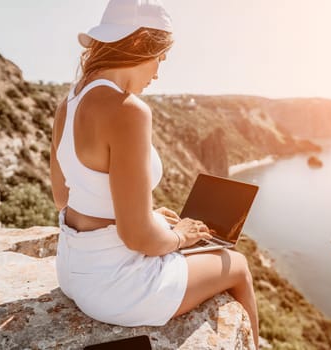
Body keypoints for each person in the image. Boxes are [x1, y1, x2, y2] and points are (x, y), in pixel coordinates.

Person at [50, 0, 258, 347]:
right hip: (115, 287)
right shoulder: (128, 111)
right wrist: (179, 235)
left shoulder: (67, 104)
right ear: (138, 45)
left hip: (73, 270)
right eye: (159, 58)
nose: (158, 73)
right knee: (235, 264)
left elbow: (64, 198)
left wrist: (146, 214)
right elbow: (138, 239)